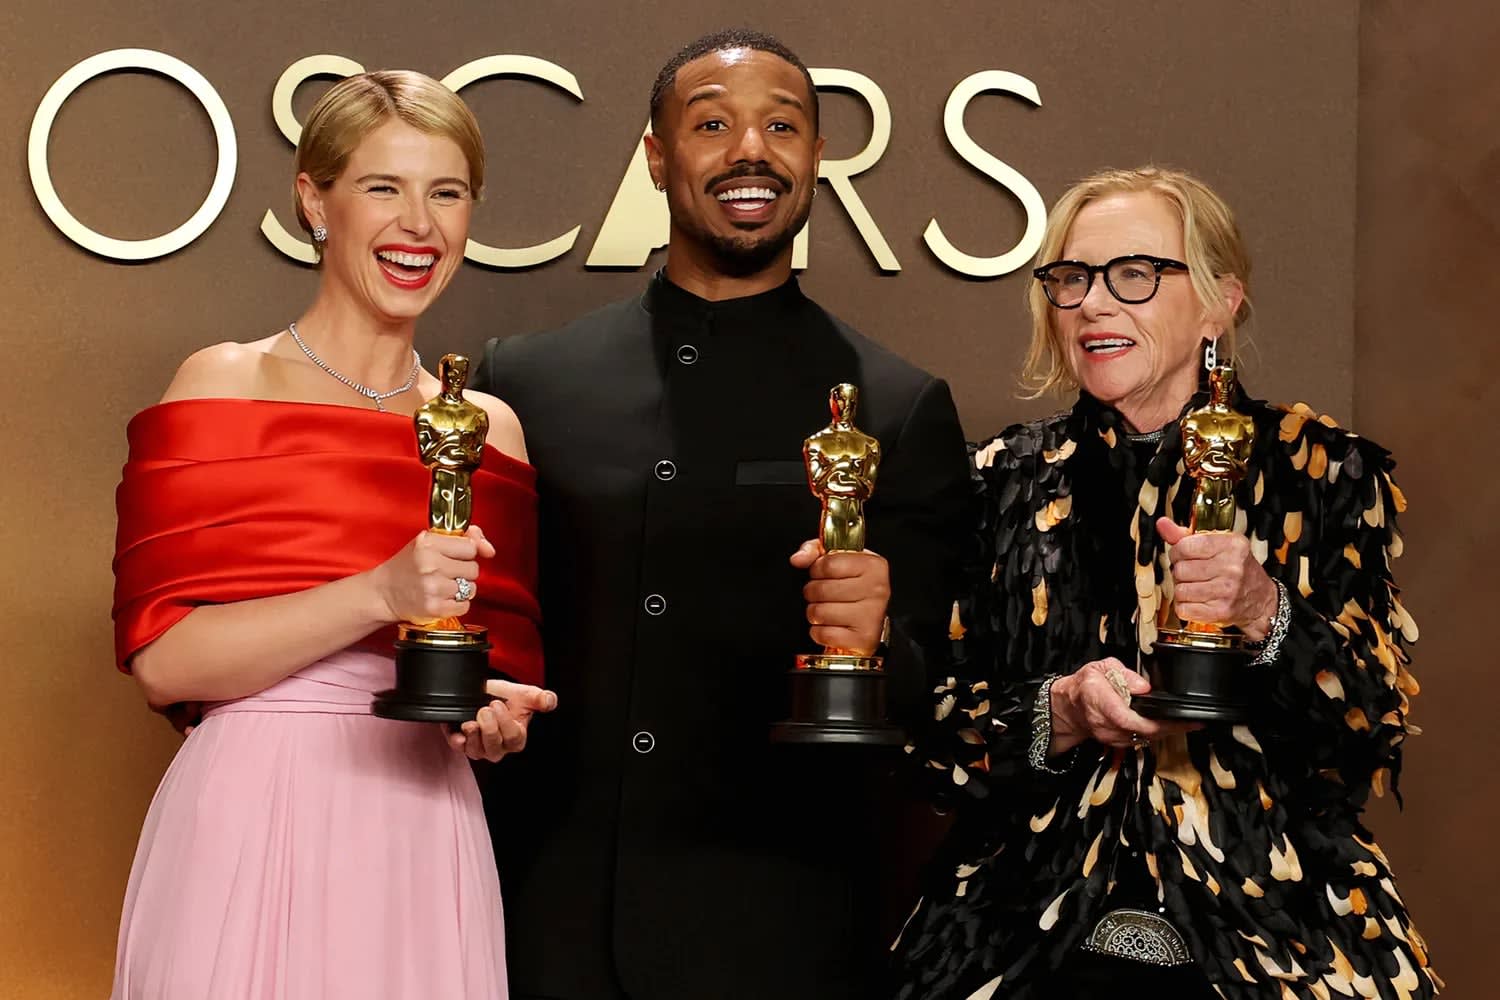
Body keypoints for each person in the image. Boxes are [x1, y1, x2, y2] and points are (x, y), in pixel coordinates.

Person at [471, 29, 972, 1000]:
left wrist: (881, 643)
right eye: (712, 124)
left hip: (780, 929)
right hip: (541, 913)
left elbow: (937, 693)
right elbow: (486, 635)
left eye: (782, 125)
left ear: (817, 157)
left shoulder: (897, 403)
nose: (752, 150)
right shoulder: (524, 381)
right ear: (656, 157)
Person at [891, 166, 1439, 999]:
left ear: (1221, 300)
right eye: (1072, 279)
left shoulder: (1322, 470)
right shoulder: (1000, 479)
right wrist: (1060, 712)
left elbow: (1369, 729)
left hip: (1276, 945)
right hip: (1017, 940)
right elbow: (934, 737)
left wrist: (1267, 613)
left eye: (1136, 274)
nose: (1094, 304)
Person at [110, 70, 556, 999]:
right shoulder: (222, 385)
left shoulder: (488, 429)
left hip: (424, 825)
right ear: (315, 200)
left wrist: (494, 723)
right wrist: (376, 595)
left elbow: (486, 671)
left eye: (446, 193)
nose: (419, 225)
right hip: (252, 805)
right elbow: (167, 663)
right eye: (382, 188)